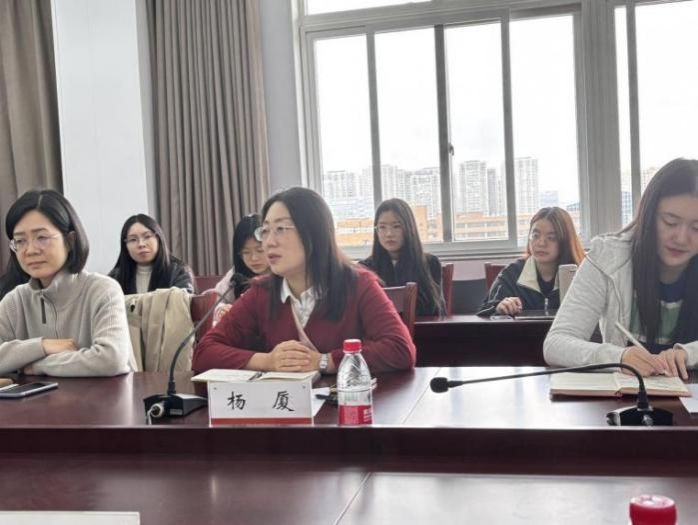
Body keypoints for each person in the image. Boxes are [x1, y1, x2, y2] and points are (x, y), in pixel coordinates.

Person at [193, 187, 416, 374]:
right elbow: (204, 353)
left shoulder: (358, 284)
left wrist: (324, 361)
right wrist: (267, 361)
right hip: (285, 410)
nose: (268, 242)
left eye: (280, 229)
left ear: (314, 233)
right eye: (266, 231)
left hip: (348, 408)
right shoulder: (261, 292)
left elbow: (401, 349)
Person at [544, 158, 698, 379]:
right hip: (627, 396)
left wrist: (689, 354)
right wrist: (619, 357)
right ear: (648, 214)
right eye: (670, 222)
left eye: (697, 228)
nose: (681, 238)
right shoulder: (607, 258)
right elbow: (556, 344)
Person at [0, 190, 132, 376]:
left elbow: (111, 359)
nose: (30, 250)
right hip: (44, 396)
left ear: (70, 240)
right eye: (20, 241)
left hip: (109, 394)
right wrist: (42, 346)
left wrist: (37, 366)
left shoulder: (102, 290)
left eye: (42, 238)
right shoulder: (15, 301)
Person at [478, 207, 585, 316]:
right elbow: (484, 312)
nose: (541, 243)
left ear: (565, 241)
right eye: (535, 236)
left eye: (551, 238)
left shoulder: (580, 274)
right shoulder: (512, 272)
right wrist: (499, 307)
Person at [360, 198, 445, 316]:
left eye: (396, 226)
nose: (389, 234)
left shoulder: (430, 263)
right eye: (382, 227)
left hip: (421, 327)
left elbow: (436, 310)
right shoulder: (365, 268)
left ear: (409, 228)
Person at [109, 214, 194, 295]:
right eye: (133, 239)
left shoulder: (178, 271)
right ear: (125, 246)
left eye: (147, 236)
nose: (141, 244)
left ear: (158, 238)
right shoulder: (114, 278)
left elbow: (181, 302)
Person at [212, 214, 270, 324]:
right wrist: (221, 308)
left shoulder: (285, 273)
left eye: (260, 250)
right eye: (246, 252)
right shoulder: (236, 273)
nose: (254, 258)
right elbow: (215, 297)